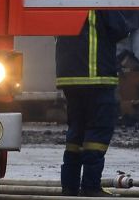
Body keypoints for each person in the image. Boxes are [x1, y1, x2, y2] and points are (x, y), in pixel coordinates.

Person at [56, 10, 130, 196]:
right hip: (96, 78)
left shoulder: (62, 3)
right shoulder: (98, 2)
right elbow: (120, 30)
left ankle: (69, 187)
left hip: (69, 79)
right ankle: (90, 186)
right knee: (98, 132)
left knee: (76, 134)